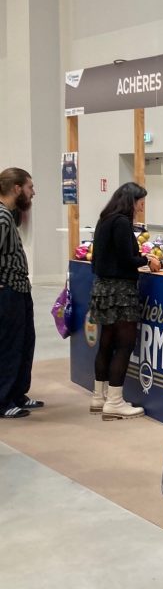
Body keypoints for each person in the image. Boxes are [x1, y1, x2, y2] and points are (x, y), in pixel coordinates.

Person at [88, 182, 161, 419]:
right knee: (125, 344)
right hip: (120, 291)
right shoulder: (120, 223)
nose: (141, 207)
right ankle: (115, 402)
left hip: (103, 288)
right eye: (141, 202)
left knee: (106, 344)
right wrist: (147, 261)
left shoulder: (105, 220)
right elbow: (126, 259)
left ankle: (99, 397)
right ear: (131, 201)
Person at [0, 167, 41, 419]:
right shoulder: (3, 217)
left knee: (25, 342)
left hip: (20, 289)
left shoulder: (10, 216)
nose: (32, 192)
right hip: (8, 292)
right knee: (10, 345)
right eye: (29, 187)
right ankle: (4, 400)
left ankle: (17, 393)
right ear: (17, 188)